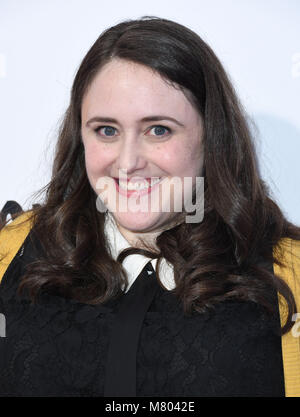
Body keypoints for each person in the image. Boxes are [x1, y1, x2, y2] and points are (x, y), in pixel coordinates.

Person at [0, 16, 300, 397]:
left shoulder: (289, 273)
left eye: (158, 130)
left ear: (212, 136)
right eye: (106, 130)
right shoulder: (10, 252)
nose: (128, 163)